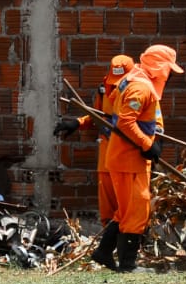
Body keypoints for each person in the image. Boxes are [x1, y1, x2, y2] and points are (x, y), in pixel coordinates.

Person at [101, 44, 183, 274]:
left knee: (126, 211)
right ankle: (128, 266)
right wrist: (148, 144)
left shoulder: (135, 80)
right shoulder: (140, 87)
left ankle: (104, 252)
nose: (168, 75)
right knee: (137, 212)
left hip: (127, 157)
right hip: (128, 160)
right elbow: (126, 122)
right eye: (168, 69)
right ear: (158, 67)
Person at [54, 54, 134, 269]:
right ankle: (110, 255)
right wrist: (77, 123)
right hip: (107, 160)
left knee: (127, 210)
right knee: (108, 211)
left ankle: (128, 257)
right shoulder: (104, 88)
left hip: (127, 160)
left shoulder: (136, 89)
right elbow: (98, 116)